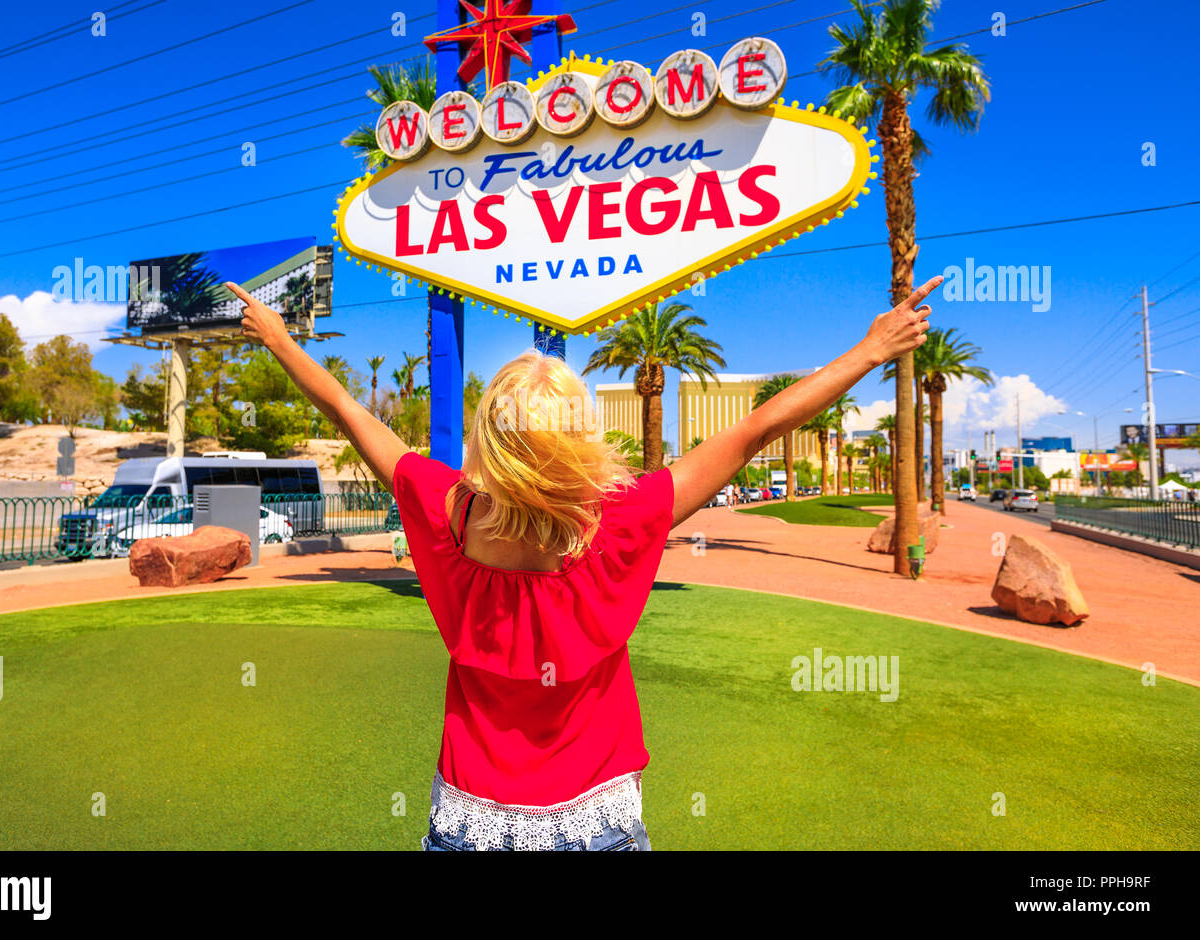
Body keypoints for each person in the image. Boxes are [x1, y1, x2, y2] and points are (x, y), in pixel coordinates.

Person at [226, 275, 940, 851]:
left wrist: (283, 341)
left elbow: (351, 410)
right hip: (593, 816)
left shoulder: (444, 511)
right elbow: (757, 428)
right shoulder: (625, 520)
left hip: (471, 814)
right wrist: (872, 349)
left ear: (488, 440)